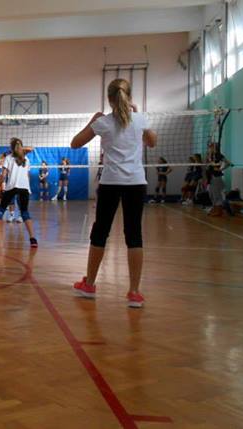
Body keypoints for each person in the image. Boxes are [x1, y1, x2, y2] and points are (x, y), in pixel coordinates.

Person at [69, 78, 158, 308]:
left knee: (100, 232)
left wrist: (93, 121)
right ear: (129, 97)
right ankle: (134, 293)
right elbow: (152, 142)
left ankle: (89, 285)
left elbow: (75, 143)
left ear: (109, 99)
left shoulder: (103, 123)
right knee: (134, 234)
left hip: (111, 183)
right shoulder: (140, 119)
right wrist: (138, 116)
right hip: (136, 183)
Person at [0, 138, 38, 248]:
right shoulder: (26, 159)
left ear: (11, 148)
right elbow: (27, 176)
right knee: (25, 213)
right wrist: (28, 188)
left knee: (0, 210)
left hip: (11, 187)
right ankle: (33, 240)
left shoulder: (9, 158)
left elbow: (3, 175)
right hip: (24, 188)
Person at [0, 145, 17, 222]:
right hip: (6, 180)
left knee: (13, 198)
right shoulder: (6, 160)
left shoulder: (16, 160)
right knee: (2, 194)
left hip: (13, 181)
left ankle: (14, 215)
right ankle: (5, 212)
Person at [206, 143, 231, 217]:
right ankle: (215, 208)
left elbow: (228, 163)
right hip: (210, 177)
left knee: (216, 194)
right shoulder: (210, 156)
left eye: (211, 147)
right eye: (209, 147)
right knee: (211, 194)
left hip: (216, 176)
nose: (209, 148)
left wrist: (220, 169)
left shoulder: (218, 155)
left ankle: (219, 211)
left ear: (215, 147)